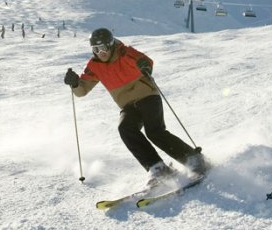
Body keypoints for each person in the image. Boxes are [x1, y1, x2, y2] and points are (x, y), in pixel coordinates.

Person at [65, 28, 208, 188]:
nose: (101, 53)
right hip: (128, 105)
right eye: (96, 49)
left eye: (103, 48)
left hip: (148, 96)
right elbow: (82, 91)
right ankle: (158, 168)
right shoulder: (95, 65)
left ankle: (193, 158)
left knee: (155, 132)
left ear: (111, 44)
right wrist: (75, 83)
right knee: (125, 129)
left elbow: (146, 61)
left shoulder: (125, 53)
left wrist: (144, 66)